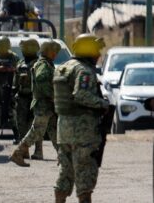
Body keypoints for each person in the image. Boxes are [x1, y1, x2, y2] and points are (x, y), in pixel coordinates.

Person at [53, 34, 110, 203]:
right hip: (82, 131)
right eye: (96, 51)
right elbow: (80, 94)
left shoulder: (63, 68)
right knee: (85, 172)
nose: (98, 55)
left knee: (66, 172)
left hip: (64, 130)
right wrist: (102, 104)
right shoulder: (83, 71)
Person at [10, 40, 61, 167]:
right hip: (43, 104)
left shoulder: (46, 64)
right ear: (48, 52)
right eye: (53, 52)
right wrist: (53, 95)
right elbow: (41, 79)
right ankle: (18, 152)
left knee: (54, 130)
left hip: (48, 105)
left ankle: (64, 157)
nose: (55, 54)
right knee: (36, 131)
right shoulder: (43, 65)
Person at [12, 39, 40, 147]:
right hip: (22, 98)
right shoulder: (20, 63)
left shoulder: (39, 64)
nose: (23, 51)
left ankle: (38, 150)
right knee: (21, 124)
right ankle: (24, 149)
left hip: (35, 98)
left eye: (25, 48)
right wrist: (13, 94)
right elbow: (15, 81)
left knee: (36, 125)